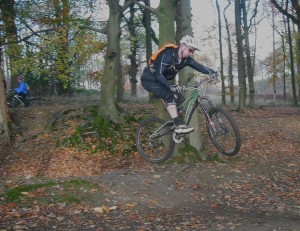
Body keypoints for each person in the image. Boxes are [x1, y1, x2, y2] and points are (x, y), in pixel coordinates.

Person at [141, 35, 218, 134]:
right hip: (150, 79)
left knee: (181, 99)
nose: (191, 53)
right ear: (183, 46)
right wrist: (170, 86)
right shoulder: (168, 55)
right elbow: (159, 75)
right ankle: (178, 124)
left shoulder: (186, 59)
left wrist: (212, 72)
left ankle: (173, 119)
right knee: (169, 95)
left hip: (162, 81)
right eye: (190, 50)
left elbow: (199, 66)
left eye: (193, 52)